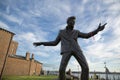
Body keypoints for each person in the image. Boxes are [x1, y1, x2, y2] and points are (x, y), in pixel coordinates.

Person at [33, 16, 107, 80]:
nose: (73, 23)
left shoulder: (76, 32)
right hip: (66, 50)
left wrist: (97, 30)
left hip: (77, 50)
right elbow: (54, 43)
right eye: (72, 21)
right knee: (61, 70)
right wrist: (42, 43)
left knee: (86, 68)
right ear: (68, 22)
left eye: (74, 22)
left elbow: (87, 35)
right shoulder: (61, 32)